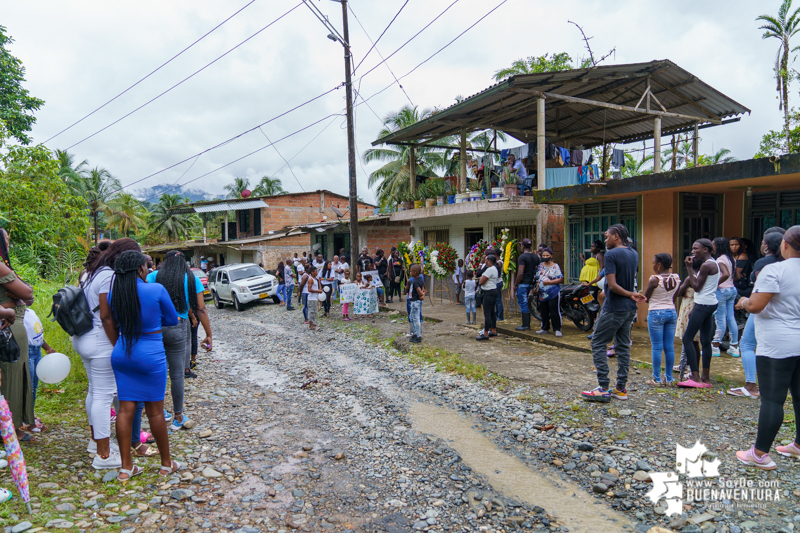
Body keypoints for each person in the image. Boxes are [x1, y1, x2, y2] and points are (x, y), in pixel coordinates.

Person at [104, 250, 181, 481]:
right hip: (150, 354)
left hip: (122, 352)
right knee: (155, 411)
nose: (148, 269)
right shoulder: (156, 290)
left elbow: (112, 321)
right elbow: (172, 319)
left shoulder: (113, 295)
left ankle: (126, 467)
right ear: (140, 268)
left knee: (125, 411)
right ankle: (166, 464)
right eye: (146, 266)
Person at [734, 226, 800, 470]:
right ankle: (798, 446)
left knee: (773, 399)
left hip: (777, 343)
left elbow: (757, 305)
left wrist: (743, 302)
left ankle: (760, 454)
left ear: (784, 244)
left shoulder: (775, 269)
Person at [74, 238, 142, 466]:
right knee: (104, 396)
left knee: (94, 391)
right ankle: (103, 455)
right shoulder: (107, 276)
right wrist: (117, 345)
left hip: (83, 337)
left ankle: (97, 442)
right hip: (100, 341)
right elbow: (105, 315)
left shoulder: (90, 272)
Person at [582, 224, 645, 402]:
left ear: (616, 236)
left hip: (614, 307)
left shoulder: (611, 254)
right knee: (623, 346)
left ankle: (603, 387)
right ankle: (621, 388)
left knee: (598, 342)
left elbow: (613, 285)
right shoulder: (634, 253)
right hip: (629, 309)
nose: (605, 240)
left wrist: (630, 293)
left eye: (607, 236)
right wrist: (632, 295)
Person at [147, 251, 208, 428]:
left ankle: (157, 412)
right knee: (177, 375)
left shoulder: (153, 276)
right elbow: (201, 309)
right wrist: (208, 333)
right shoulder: (191, 279)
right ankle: (179, 416)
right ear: (183, 262)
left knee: (157, 372)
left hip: (155, 328)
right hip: (178, 326)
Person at [728, 228, 786, 398]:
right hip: (781, 312)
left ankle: (751, 386)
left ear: (767, 246)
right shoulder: (787, 263)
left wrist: (745, 302)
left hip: (762, 310)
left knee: (747, 344)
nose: (760, 245)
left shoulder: (763, 263)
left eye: (763, 242)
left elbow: (760, 291)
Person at [0, 225, 35, 443]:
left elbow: (27, 293)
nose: (8, 243)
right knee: (11, 376)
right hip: (9, 326)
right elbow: (27, 292)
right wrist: (21, 291)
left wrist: (23, 291)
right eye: (5, 239)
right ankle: (9, 429)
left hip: (11, 321)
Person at [677, 239, 720, 389]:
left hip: (703, 305)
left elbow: (696, 287)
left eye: (696, 249)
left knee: (688, 338)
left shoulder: (707, 265)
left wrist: (689, 268)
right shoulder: (712, 263)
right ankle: (706, 378)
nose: (693, 251)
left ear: (706, 249)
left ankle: (695, 377)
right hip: (709, 303)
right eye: (693, 248)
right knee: (705, 340)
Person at [643, 253, 679, 386]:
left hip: (656, 311)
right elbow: (675, 295)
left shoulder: (654, 279)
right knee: (669, 346)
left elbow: (645, 297)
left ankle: (657, 379)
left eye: (653, 263)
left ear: (659, 265)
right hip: (671, 311)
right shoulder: (676, 277)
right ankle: (669, 378)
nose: (652, 265)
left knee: (657, 347)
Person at [22, 308, 55, 429]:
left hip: (36, 352)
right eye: (26, 290)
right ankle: (26, 419)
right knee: (27, 386)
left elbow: (37, 334)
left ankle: (29, 414)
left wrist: (47, 347)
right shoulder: (17, 314)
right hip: (27, 352)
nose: (31, 295)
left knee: (34, 385)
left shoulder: (31, 312)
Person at [712, 237, 739, 357]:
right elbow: (736, 276)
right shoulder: (731, 258)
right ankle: (734, 346)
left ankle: (715, 346)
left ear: (718, 246)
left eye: (713, 245)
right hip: (732, 290)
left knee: (720, 319)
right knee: (731, 318)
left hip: (722, 291)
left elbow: (726, 274)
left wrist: (715, 284)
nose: (712, 247)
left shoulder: (720, 260)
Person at [535, 248, 563, 337]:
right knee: (544, 311)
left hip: (553, 292)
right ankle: (544, 328)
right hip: (542, 293)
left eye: (547, 255)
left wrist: (549, 282)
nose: (545, 257)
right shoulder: (540, 266)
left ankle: (557, 329)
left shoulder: (555, 266)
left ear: (551, 256)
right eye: (543, 256)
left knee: (554, 310)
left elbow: (560, 278)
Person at [515, 239, 540, 331]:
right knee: (529, 304)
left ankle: (526, 325)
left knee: (524, 304)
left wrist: (516, 284)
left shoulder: (522, 257)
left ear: (523, 246)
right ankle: (527, 323)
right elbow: (537, 269)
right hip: (532, 283)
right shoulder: (535, 256)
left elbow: (520, 272)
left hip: (523, 284)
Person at [476, 255, 500, 341]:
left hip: (488, 292)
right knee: (492, 312)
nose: (485, 262)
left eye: (486, 260)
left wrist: (480, 279)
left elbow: (481, 282)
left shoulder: (490, 269)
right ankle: (493, 330)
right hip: (493, 290)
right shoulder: (495, 269)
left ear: (489, 261)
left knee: (487, 313)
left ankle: (485, 333)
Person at [409, 264, 425, 344]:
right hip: (416, 301)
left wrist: (422, 294)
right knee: (412, 317)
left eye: (411, 271)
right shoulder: (420, 279)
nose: (410, 272)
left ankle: (418, 335)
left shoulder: (415, 281)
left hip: (415, 302)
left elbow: (420, 292)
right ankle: (415, 333)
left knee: (416, 318)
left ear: (415, 272)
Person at [306, 265, 322, 330]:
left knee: (315, 311)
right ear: (312, 272)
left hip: (315, 298)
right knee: (311, 311)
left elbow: (318, 288)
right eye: (315, 272)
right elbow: (309, 289)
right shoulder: (310, 279)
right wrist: (317, 291)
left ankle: (313, 323)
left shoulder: (315, 279)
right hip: (311, 298)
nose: (317, 273)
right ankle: (311, 325)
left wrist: (320, 282)